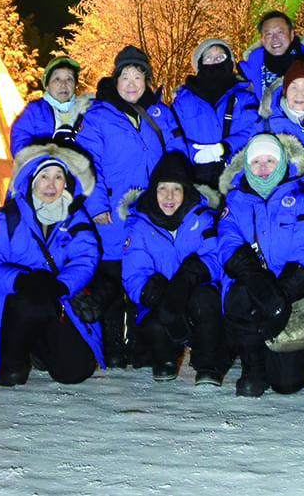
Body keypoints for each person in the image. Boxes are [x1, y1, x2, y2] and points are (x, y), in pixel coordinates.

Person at [75, 44, 185, 366]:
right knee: (112, 279)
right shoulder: (97, 116)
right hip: (112, 212)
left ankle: (141, 345)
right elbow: (85, 162)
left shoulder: (160, 114)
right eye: (126, 76)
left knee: (143, 275)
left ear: (147, 80)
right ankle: (113, 346)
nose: (132, 83)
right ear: (116, 78)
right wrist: (96, 205)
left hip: (152, 215)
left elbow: (178, 157)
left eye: (139, 76)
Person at [0, 141, 103, 386]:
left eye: (58, 176)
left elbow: (86, 257)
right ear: (31, 180)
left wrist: (61, 285)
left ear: (67, 182)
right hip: (12, 303)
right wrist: (20, 280)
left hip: (54, 300)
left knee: (75, 372)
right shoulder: (8, 217)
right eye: (44, 176)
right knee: (28, 302)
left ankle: (39, 349)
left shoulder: (75, 218)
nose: (51, 184)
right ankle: (13, 358)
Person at [218, 133, 304, 397]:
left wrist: (282, 295)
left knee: (286, 384)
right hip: (250, 292)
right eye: (256, 162)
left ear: (283, 162)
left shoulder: (302, 200)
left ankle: (299, 354)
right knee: (239, 294)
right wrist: (254, 279)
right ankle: (253, 367)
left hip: (291, 294)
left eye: (270, 161)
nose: (263, 168)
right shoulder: (235, 202)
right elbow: (227, 241)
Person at [120, 150, 227, 385]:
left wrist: (192, 274)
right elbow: (133, 275)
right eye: (162, 189)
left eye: (177, 188)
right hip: (161, 305)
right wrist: (157, 295)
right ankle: (165, 358)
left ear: (186, 190)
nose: (170, 196)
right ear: (153, 190)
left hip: (194, 298)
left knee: (207, 298)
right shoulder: (139, 224)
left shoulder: (202, 218)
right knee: (153, 323)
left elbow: (217, 259)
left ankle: (208, 363)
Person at [170, 38, 259, 189]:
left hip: (239, 184)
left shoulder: (245, 97)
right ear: (199, 65)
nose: (215, 62)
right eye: (209, 58)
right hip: (196, 186)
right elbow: (172, 137)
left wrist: (225, 148)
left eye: (221, 57)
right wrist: (194, 154)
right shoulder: (183, 102)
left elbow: (255, 129)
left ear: (230, 63)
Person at [9, 55, 93, 155]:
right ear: (47, 85)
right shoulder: (34, 111)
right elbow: (19, 144)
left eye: (69, 79)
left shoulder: (87, 113)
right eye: (57, 79)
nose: (63, 84)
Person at [237, 10, 304, 98]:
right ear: (263, 39)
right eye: (269, 34)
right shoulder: (254, 63)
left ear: (292, 34)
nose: (275, 38)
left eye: (280, 32)